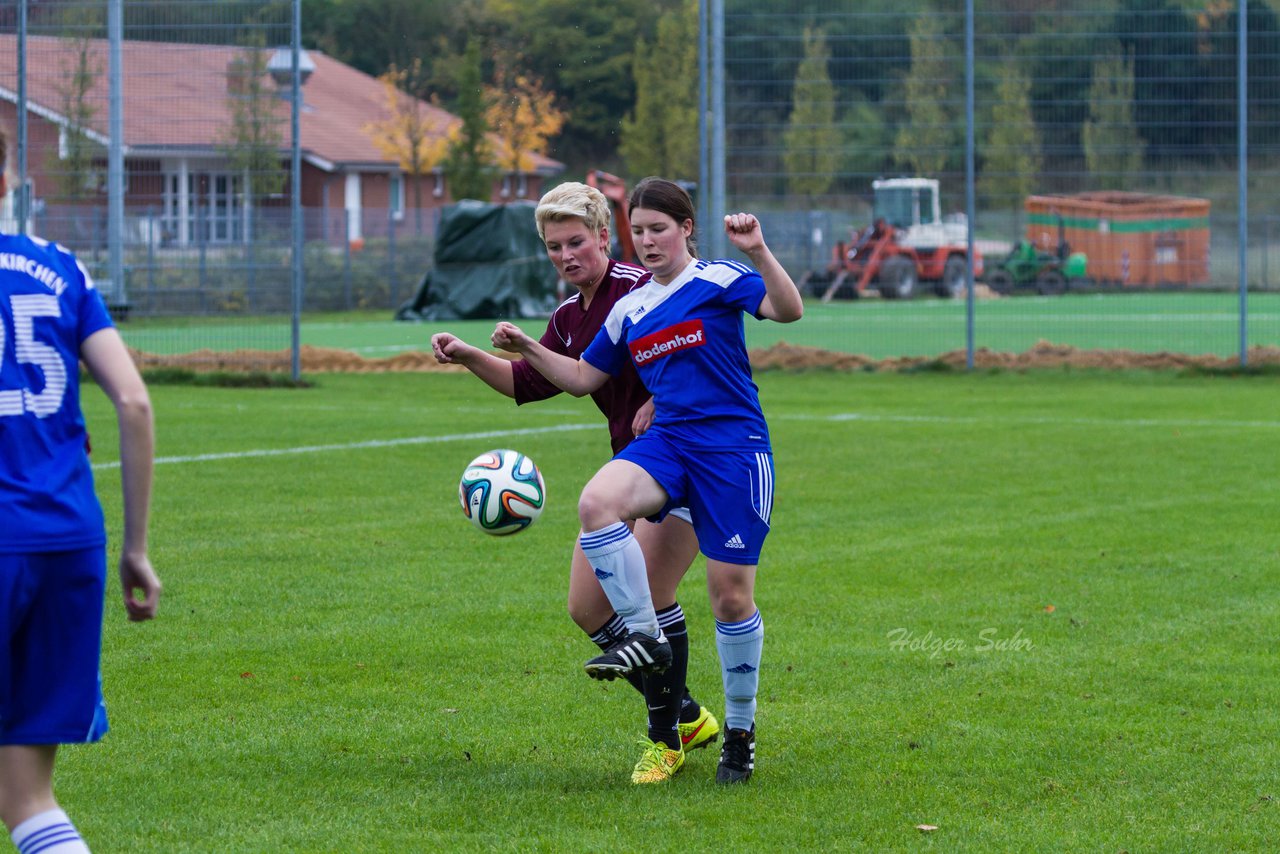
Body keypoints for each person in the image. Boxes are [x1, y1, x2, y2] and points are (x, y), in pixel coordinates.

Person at [491, 176, 803, 785]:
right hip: (669, 446)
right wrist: (526, 345)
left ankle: (739, 733)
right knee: (597, 502)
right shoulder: (629, 310)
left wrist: (759, 251)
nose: (650, 240)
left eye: (660, 228)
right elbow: (582, 378)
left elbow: (787, 310)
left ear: (686, 228)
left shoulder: (717, 279)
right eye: (641, 231)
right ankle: (645, 638)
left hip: (733, 449)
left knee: (730, 598)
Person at [430, 181, 719, 785]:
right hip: (629, 473)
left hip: (685, 463)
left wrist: (664, 405)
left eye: (576, 242)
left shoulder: (645, 290)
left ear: (605, 238)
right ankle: (686, 712)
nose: (566, 256)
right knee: (587, 607)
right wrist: (467, 356)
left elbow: (702, 353)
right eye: (554, 246)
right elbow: (528, 383)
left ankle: (664, 740)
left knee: (652, 595)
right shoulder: (569, 316)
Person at [0, 129, 161, 853]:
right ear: (8, 181)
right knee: (25, 795)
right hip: (70, 541)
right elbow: (132, 404)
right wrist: (136, 549)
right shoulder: (61, 267)